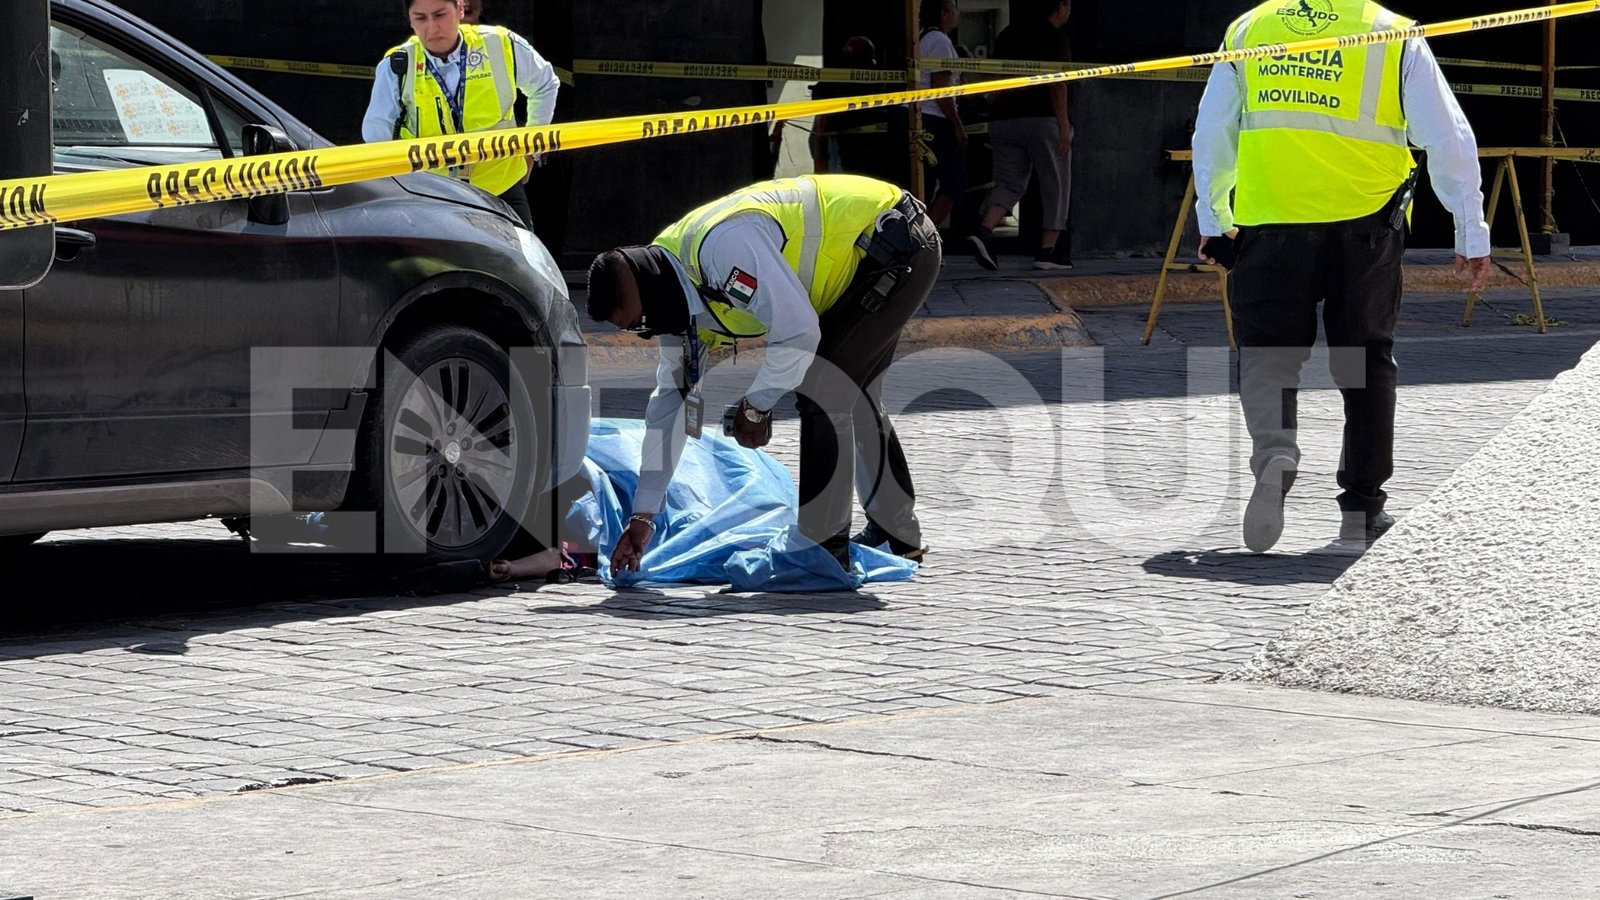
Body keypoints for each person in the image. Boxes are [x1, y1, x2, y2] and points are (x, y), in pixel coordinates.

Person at [1193, 0, 1493, 554]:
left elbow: (1213, 132)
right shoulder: (1392, 32)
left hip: (1272, 223)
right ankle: (1360, 511)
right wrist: (1469, 232)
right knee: (1362, 360)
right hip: (1367, 229)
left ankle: (1275, 453)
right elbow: (1448, 137)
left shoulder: (1250, 27)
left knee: (1268, 352)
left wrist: (1214, 220)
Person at [586, 174, 941, 576]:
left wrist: (757, 405)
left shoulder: (723, 249)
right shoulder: (670, 292)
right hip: (870, 259)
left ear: (652, 293)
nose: (646, 332)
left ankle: (823, 549)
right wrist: (644, 515)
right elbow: (671, 405)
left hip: (894, 242)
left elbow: (799, 332)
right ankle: (898, 537)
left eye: (641, 322)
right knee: (852, 393)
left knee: (824, 389)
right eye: (636, 329)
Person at [361, 0, 559, 228]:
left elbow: (545, 84)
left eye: (440, 15)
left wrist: (532, 148)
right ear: (410, 21)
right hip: (432, 195)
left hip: (501, 187)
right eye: (421, 18)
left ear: (460, 10)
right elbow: (376, 137)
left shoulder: (499, 44)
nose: (432, 27)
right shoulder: (397, 65)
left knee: (521, 262)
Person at [968, 0, 1074, 272]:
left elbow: (994, 75)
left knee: (1009, 182)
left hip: (1003, 120)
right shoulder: (1055, 38)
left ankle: (984, 231)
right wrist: (1064, 125)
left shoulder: (1008, 34)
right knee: (1055, 182)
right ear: (1061, 6)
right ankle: (1048, 251)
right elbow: (1057, 83)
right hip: (1041, 120)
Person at [916, 0, 971, 235]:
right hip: (936, 120)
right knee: (955, 182)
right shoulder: (939, 41)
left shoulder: (922, 38)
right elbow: (941, 89)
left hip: (923, 118)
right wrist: (957, 124)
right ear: (944, 13)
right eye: (954, 9)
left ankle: (919, 239)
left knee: (926, 185)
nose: (957, 14)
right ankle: (924, 239)